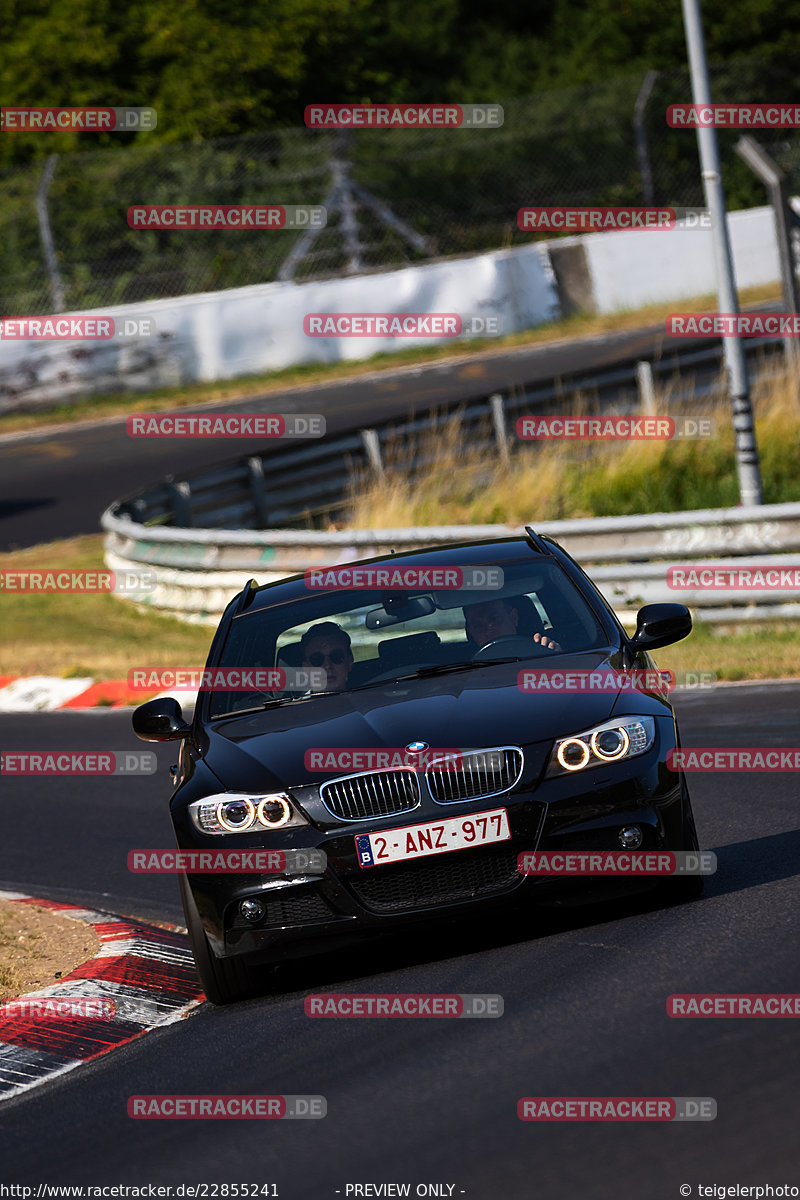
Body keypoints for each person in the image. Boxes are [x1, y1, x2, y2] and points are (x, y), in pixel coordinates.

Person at [463, 596, 561, 652]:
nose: (488, 629)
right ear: (471, 632)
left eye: (494, 619)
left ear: (514, 618)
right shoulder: (461, 674)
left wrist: (555, 657)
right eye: (478, 626)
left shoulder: (540, 651)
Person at [300, 622, 354, 692]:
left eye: (336, 656)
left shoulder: (369, 698)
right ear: (306, 669)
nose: (327, 665)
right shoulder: (296, 703)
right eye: (317, 659)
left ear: (349, 662)